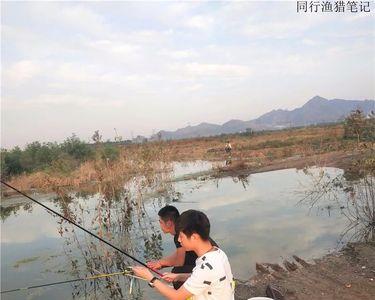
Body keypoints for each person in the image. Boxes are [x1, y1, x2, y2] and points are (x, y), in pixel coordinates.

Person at [133, 210, 234, 300]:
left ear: (194, 237)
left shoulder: (205, 268)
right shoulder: (218, 253)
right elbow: (205, 278)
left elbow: (176, 296)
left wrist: (150, 277)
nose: (178, 240)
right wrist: (178, 276)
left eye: (181, 236)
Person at [147, 205, 217, 289]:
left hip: (207, 264)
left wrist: (160, 265)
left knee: (176, 271)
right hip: (210, 260)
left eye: (160, 222)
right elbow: (179, 253)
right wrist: (160, 263)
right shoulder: (186, 230)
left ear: (169, 223)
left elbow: (179, 261)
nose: (160, 225)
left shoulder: (181, 234)